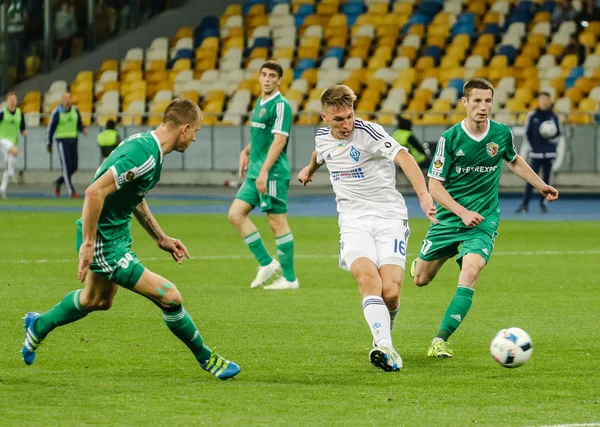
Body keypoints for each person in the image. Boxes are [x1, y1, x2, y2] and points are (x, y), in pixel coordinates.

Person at [21, 98, 240, 380]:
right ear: (184, 128)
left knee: (97, 300)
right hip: (103, 241)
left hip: (116, 234)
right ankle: (208, 359)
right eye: (196, 130)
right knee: (170, 296)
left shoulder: (150, 150)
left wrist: (160, 237)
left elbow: (133, 196)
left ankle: (38, 326)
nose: (196, 138)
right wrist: (88, 243)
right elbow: (93, 193)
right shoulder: (144, 153)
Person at [410, 78, 559, 359]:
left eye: (487, 101)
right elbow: (435, 186)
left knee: (471, 270)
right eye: (477, 101)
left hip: (484, 219)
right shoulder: (450, 138)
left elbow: (513, 160)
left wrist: (541, 185)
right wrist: (462, 212)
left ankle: (439, 340)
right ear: (465, 102)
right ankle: (427, 259)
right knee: (420, 279)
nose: (483, 106)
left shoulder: (501, 134)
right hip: (451, 217)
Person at [297, 85, 437, 372]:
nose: (346, 124)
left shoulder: (370, 133)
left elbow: (405, 158)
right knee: (367, 280)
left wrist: (423, 194)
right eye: (338, 120)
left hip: (389, 217)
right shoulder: (322, 137)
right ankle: (384, 346)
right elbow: (320, 153)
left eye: (349, 116)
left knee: (391, 292)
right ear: (325, 117)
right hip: (353, 221)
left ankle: (385, 337)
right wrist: (309, 170)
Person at [227, 60, 298, 290]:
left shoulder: (281, 105)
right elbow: (264, 136)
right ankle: (266, 263)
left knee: (277, 223)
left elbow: (280, 140)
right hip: (257, 171)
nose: (267, 79)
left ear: (279, 80)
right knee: (236, 215)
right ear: (259, 77)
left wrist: (264, 172)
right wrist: (247, 150)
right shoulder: (260, 103)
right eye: (264, 75)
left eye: (272, 76)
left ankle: (289, 279)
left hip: (272, 173)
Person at [516, 92, 565, 213]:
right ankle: (525, 204)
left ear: (550, 101)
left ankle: (543, 204)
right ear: (538, 100)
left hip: (549, 154)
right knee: (531, 180)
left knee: (547, 181)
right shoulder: (532, 116)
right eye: (542, 99)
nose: (544, 102)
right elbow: (527, 134)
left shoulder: (554, 117)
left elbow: (559, 134)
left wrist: (552, 141)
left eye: (547, 99)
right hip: (535, 154)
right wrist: (530, 149)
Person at [45, 92, 87, 198]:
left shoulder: (75, 111)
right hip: (62, 142)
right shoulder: (57, 112)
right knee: (66, 167)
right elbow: (51, 129)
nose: (67, 100)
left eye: (69, 98)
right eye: (65, 98)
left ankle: (59, 182)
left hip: (73, 141)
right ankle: (71, 191)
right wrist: (48, 143)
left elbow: (79, 123)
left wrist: (82, 129)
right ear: (62, 100)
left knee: (74, 167)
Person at [0, 92, 27, 199]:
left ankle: (2, 189)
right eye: (10, 99)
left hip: (14, 142)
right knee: (14, 151)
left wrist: (23, 131)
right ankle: (11, 172)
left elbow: (22, 126)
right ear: (7, 101)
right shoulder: (2, 112)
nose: (12, 101)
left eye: (14, 99)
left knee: (9, 164)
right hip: (2, 140)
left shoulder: (20, 113)